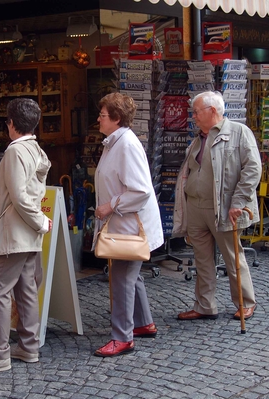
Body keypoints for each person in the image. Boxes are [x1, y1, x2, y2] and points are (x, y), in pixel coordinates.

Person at [0, 98, 52, 375]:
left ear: (11, 124)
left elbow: (17, 196)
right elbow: (23, 186)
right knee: (25, 288)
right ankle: (29, 346)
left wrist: (40, 221)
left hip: (14, 233)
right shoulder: (33, 148)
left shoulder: (15, 152)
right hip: (26, 234)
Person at [172, 91, 261, 321]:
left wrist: (239, 202)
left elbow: (253, 170)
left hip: (224, 207)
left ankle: (245, 303)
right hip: (196, 206)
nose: (193, 116)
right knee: (202, 259)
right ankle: (204, 305)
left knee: (232, 256)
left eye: (196, 111)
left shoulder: (239, 132)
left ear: (212, 111)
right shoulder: (198, 138)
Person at [93, 93, 164, 357]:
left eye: (102, 115)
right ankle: (144, 323)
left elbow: (141, 191)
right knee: (129, 277)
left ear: (116, 118)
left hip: (129, 225)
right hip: (125, 224)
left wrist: (110, 205)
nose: (98, 119)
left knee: (122, 279)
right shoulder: (115, 142)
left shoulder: (125, 145)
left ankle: (122, 337)